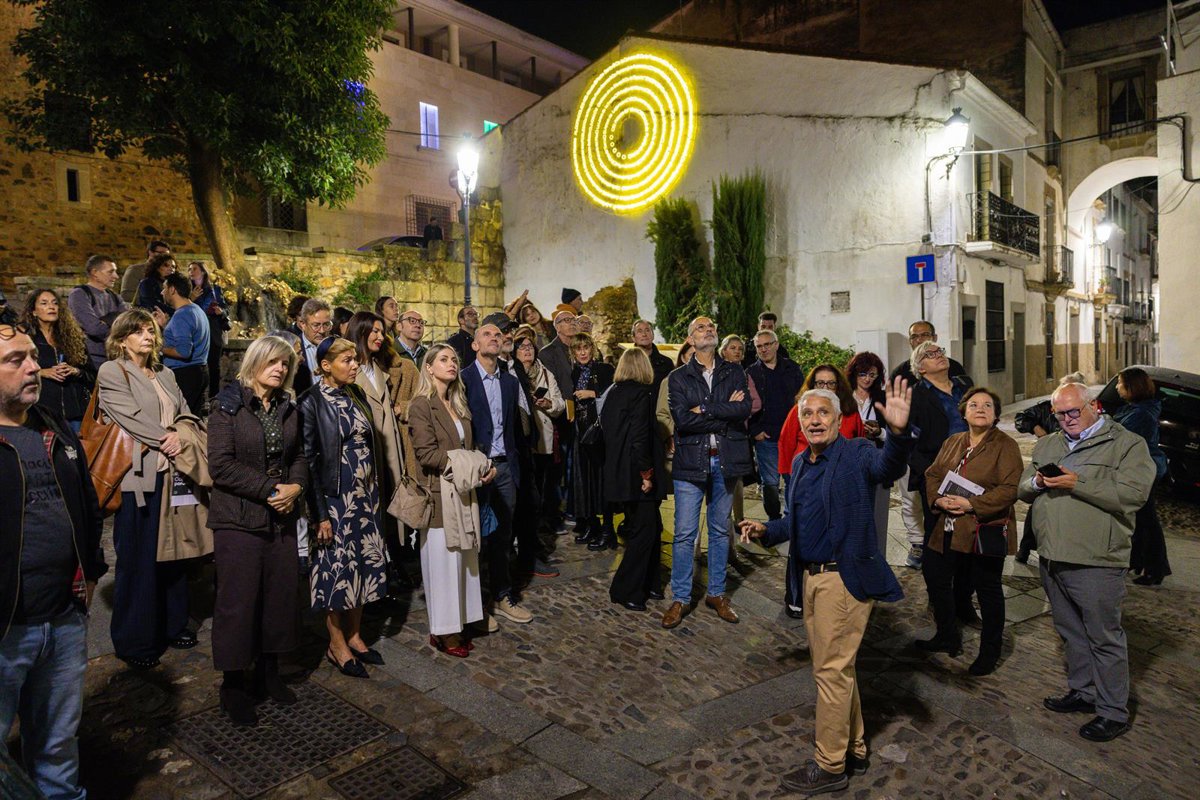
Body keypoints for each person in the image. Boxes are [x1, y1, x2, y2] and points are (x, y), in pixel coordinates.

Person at [738, 379, 912, 796]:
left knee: (831, 672)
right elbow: (795, 523)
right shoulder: (801, 462)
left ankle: (830, 765)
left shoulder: (857, 452)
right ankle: (854, 748)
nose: (814, 420)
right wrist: (766, 530)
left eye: (823, 413)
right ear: (799, 422)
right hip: (810, 578)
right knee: (838, 670)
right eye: (807, 414)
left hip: (843, 579)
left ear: (837, 419)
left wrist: (898, 433)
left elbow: (888, 467)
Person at [0, 320, 106, 800]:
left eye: (31, 355)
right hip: (7, 628)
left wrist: (91, 570)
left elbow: (86, 501)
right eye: (15, 360)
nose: (32, 367)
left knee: (57, 743)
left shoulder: (52, 426)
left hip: (64, 615)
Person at [1019, 382, 1155, 743]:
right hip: (1051, 555)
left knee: (1103, 637)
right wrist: (1036, 482)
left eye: (1073, 411)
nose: (1066, 419)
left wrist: (1077, 482)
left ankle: (1112, 712)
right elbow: (1022, 489)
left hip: (1096, 559)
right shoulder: (1049, 444)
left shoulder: (1126, 444)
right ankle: (1084, 691)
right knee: (1070, 631)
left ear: (1094, 405)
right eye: (1059, 414)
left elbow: (1133, 494)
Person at [207, 335, 307, 726]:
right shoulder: (227, 405)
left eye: (286, 364)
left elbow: (299, 456)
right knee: (239, 603)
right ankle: (233, 684)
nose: (280, 369)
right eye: (273, 362)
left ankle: (269, 673)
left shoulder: (287, 407)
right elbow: (220, 466)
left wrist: (296, 487)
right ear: (256, 361)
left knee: (279, 598)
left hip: (280, 518)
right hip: (238, 519)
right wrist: (271, 490)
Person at [99, 309, 193, 670]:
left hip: (174, 475)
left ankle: (173, 625)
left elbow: (186, 413)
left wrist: (181, 434)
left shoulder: (166, 374)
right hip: (138, 477)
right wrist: (168, 438)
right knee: (138, 559)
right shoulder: (113, 371)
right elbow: (129, 417)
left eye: (150, 330)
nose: (147, 336)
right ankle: (135, 641)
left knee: (175, 554)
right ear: (122, 339)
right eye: (138, 332)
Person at [299, 337, 389, 679]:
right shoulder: (311, 402)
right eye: (347, 360)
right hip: (336, 500)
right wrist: (319, 513)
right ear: (325, 366)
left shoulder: (357, 393)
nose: (354, 365)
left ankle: (354, 635)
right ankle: (336, 644)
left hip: (366, 496)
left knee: (362, 566)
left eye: (355, 359)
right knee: (336, 572)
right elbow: (309, 461)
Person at [921, 387, 1022, 675]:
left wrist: (972, 504)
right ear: (964, 412)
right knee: (937, 578)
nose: (980, 409)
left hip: (982, 529)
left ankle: (990, 651)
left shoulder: (1005, 445)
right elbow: (933, 474)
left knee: (987, 590)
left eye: (988, 405)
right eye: (974, 404)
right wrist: (938, 500)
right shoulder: (953, 441)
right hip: (947, 526)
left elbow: (1009, 489)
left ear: (996, 415)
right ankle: (946, 635)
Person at [663, 316, 752, 629]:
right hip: (691, 462)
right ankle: (681, 597)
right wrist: (724, 409)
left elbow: (743, 409)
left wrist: (705, 409)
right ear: (690, 339)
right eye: (700, 327)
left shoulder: (734, 371)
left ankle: (716, 593)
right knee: (685, 534)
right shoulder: (678, 377)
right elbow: (683, 420)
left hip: (725, 460)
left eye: (711, 326)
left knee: (719, 531)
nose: (708, 329)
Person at [407, 343, 489, 656]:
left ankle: (461, 621)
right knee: (443, 563)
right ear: (429, 368)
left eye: (454, 359)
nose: (451, 363)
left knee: (464, 561)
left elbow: (468, 447)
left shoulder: (457, 403)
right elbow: (426, 455)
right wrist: (472, 464)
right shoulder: (421, 405)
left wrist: (483, 467)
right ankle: (443, 631)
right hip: (440, 494)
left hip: (464, 491)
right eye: (443, 359)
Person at [461, 321, 536, 626]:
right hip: (476, 468)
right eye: (486, 334)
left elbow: (516, 428)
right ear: (475, 345)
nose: (494, 338)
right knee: (476, 537)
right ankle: (477, 605)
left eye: (497, 334)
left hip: (505, 468)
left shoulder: (510, 382)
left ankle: (502, 595)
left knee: (503, 536)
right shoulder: (463, 379)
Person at [777, 363, 866, 616]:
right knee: (799, 536)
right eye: (820, 383)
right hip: (805, 482)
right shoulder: (801, 410)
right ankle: (795, 596)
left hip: (840, 486)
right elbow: (785, 442)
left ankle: (838, 593)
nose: (825, 387)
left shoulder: (849, 412)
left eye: (830, 383)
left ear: (839, 387)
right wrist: (790, 478)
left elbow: (861, 443)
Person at [890, 321, 970, 569]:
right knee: (938, 531)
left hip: (971, 465)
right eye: (930, 354)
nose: (938, 355)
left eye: (939, 351)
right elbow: (908, 436)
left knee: (967, 525)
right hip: (937, 468)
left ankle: (965, 577)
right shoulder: (913, 393)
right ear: (920, 368)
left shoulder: (963, 384)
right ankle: (938, 579)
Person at [347, 312, 409, 592]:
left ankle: (393, 565)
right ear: (359, 332)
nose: (380, 337)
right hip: (367, 454)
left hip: (389, 452)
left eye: (382, 332)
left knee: (391, 510)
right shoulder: (350, 370)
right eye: (374, 331)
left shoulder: (380, 368)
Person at [603, 347, 666, 611]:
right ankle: (624, 589)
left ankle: (650, 582)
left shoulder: (614, 393)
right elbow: (640, 437)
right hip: (636, 474)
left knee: (651, 527)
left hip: (619, 472)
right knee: (645, 532)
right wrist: (647, 474)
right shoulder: (642, 394)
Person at [1013, 371, 1085, 563]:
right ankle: (1025, 548)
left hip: (1074, 469)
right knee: (1038, 505)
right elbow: (1021, 418)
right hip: (1049, 464)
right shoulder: (1047, 408)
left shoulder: (1086, 412)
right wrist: (1037, 429)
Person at [512, 328, 566, 569]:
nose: (527, 351)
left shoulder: (545, 372)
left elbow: (560, 403)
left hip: (542, 440)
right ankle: (524, 541)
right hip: (523, 442)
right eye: (522, 347)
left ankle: (533, 539)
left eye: (530, 347)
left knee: (539, 492)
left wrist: (547, 403)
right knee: (526, 495)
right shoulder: (512, 373)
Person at [1111, 367, 1171, 585]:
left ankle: (1156, 568)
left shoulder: (1140, 414)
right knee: (1139, 519)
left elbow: (1121, 439)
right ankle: (1137, 561)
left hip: (1143, 471)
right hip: (1143, 468)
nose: (1117, 387)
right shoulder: (1135, 409)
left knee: (1146, 520)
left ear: (1132, 387)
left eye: (1120, 383)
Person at [747, 329, 804, 521]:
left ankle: (790, 520)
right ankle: (774, 520)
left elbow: (803, 398)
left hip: (791, 435)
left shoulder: (792, 368)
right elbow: (746, 405)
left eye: (767, 344)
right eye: (759, 346)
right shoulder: (751, 372)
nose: (763, 349)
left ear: (776, 345)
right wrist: (755, 431)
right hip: (766, 437)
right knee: (770, 483)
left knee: (792, 479)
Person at [22, 289, 94, 433]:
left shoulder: (73, 338)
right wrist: (42, 372)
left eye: (55, 303)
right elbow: (11, 372)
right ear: (34, 312)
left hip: (75, 415)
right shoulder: (25, 338)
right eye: (44, 303)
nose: (51, 306)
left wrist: (75, 371)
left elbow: (92, 375)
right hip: (41, 414)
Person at [569, 332, 615, 549]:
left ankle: (608, 529)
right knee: (585, 481)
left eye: (586, 347)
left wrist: (592, 393)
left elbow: (614, 396)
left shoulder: (605, 369)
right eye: (578, 349)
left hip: (600, 433)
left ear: (592, 349)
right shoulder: (574, 372)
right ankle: (592, 525)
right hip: (581, 431)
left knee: (602, 481)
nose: (582, 352)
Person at [846, 352, 890, 550]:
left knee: (877, 511)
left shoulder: (883, 398)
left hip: (876, 455)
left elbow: (897, 434)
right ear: (854, 373)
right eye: (863, 374)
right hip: (848, 455)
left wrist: (879, 432)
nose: (867, 379)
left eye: (872, 375)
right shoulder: (843, 397)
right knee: (849, 509)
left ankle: (876, 555)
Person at [160, 272, 211, 415]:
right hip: (199, 372)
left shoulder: (182, 315)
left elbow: (183, 352)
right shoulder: (196, 310)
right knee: (194, 419)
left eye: (164, 288)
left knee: (182, 420)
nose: (162, 292)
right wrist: (165, 327)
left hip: (185, 375)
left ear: (172, 289)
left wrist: (159, 348)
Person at [69, 254, 129, 369]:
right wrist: (117, 326)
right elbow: (94, 328)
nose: (116, 276)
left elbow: (129, 323)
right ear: (95, 273)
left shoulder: (115, 297)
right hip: (92, 360)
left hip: (115, 358)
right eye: (110, 272)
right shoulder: (80, 294)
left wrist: (106, 322)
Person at [187, 261, 230, 399]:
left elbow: (226, 309)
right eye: (189, 269)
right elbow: (181, 308)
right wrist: (191, 298)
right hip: (196, 330)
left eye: (194, 269)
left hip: (213, 330)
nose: (191, 272)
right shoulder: (187, 289)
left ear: (203, 272)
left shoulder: (215, 289)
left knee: (214, 366)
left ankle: (213, 398)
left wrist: (221, 311)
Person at [294, 298, 332, 396]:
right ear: (303, 324)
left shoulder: (336, 346)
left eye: (326, 325)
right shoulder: (293, 349)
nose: (322, 331)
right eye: (316, 325)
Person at [632, 319, 673, 390]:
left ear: (653, 335)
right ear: (633, 338)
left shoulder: (667, 363)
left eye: (647, 330)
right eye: (639, 331)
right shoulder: (628, 363)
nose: (644, 334)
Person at [135, 251, 177, 318]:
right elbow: (153, 304)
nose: (171, 269)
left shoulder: (173, 284)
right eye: (166, 265)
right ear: (157, 267)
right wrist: (176, 312)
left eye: (173, 266)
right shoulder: (146, 283)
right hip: (150, 319)